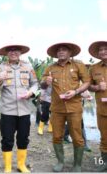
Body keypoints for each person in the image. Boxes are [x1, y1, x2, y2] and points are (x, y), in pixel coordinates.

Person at [41, 42, 90, 172]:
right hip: (57, 108)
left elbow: (87, 81)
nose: (61, 52)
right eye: (58, 50)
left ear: (70, 52)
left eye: (64, 50)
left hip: (74, 107)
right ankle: (60, 162)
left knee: (77, 137)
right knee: (57, 136)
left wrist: (76, 92)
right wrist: (46, 82)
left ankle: (77, 165)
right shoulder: (50, 67)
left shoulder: (78, 65)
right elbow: (42, 85)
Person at [0, 44, 38, 173]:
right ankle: (8, 167)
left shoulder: (28, 67)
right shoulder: (1, 67)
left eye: (16, 50)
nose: (13, 52)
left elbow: (35, 84)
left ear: (20, 52)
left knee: (23, 138)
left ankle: (21, 165)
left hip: (24, 110)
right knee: (7, 139)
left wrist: (31, 92)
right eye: (10, 50)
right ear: (7, 53)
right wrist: (0, 80)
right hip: (8, 110)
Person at [88, 41, 107, 172]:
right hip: (103, 109)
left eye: (106, 49)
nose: (103, 52)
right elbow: (88, 86)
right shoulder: (93, 68)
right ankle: (104, 161)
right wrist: (98, 87)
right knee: (104, 136)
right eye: (100, 50)